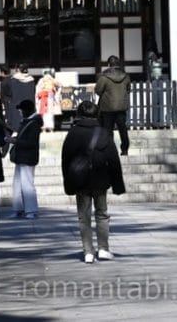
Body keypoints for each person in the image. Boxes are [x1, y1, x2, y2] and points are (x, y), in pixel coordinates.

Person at [61, 100, 125, 263]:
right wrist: (117, 184)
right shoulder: (103, 133)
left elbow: (66, 159)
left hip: (80, 180)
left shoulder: (73, 133)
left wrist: (68, 182)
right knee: (102, 214)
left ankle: (88, 251)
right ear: (96, 114)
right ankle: (103, 249)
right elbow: (113, 159)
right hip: (100, 178)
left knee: (84, 217)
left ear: (79, 114)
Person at [8, 99, 42, 219]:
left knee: (27, 184)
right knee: (17, 184)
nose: (20, 112)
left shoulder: (33, 123)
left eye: (21, 110)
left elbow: (31, 142)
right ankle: (18, 208)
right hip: (21, 157)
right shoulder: (27, 122)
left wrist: (15, 141)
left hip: (28, 157)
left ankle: (31, 210)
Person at [95, 55, 131, 156]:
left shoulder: (104, 77)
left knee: (108, 130)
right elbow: (128, 89)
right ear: (118, 64)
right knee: (123, 129)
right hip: (121, 107)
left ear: (108, 64)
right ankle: (125, 149)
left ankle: (110, 150)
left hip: (107, 107)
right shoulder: (126, 76)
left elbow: (98, 90)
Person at [9, 63, 36, 131]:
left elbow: (12, 93)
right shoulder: (31, 79)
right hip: (29, 104)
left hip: (18, 103)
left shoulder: (14, 80)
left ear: (18, 69)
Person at [0, 66, 18, 131]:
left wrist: (2, 101)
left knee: (8, 116)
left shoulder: (3, 82)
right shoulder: (14, 80)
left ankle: (9, 129)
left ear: (2, 72)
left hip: (7, 100)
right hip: (15, 100)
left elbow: (2, 94)